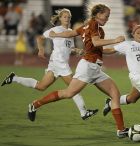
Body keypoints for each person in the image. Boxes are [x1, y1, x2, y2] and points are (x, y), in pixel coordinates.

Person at [27, 4, 128, 138]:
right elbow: (97, 42)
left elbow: (72, 34)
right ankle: (36, 104)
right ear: (98, 14)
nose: (108, 18)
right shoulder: (94, 25)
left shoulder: (87, 25)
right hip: (87, 67)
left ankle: (121, 130)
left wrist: (116, 49)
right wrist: (115, 40)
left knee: (115, 94)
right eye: (106, 15)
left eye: (109, 16)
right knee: (68, 93)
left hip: (95, 68)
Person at [1, 8, 98, 121]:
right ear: (60, 18)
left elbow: (69, 47)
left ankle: (14, 78)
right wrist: (41, 49)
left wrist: (77, 50)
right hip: (59, 62)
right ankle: (83, 112)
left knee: (41, 86)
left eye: (69, 17)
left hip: (57, 63)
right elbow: (40, 38)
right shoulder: (55, 30)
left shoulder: (70, 32)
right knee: (74, 88)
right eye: (65, 16)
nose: (67, 18)